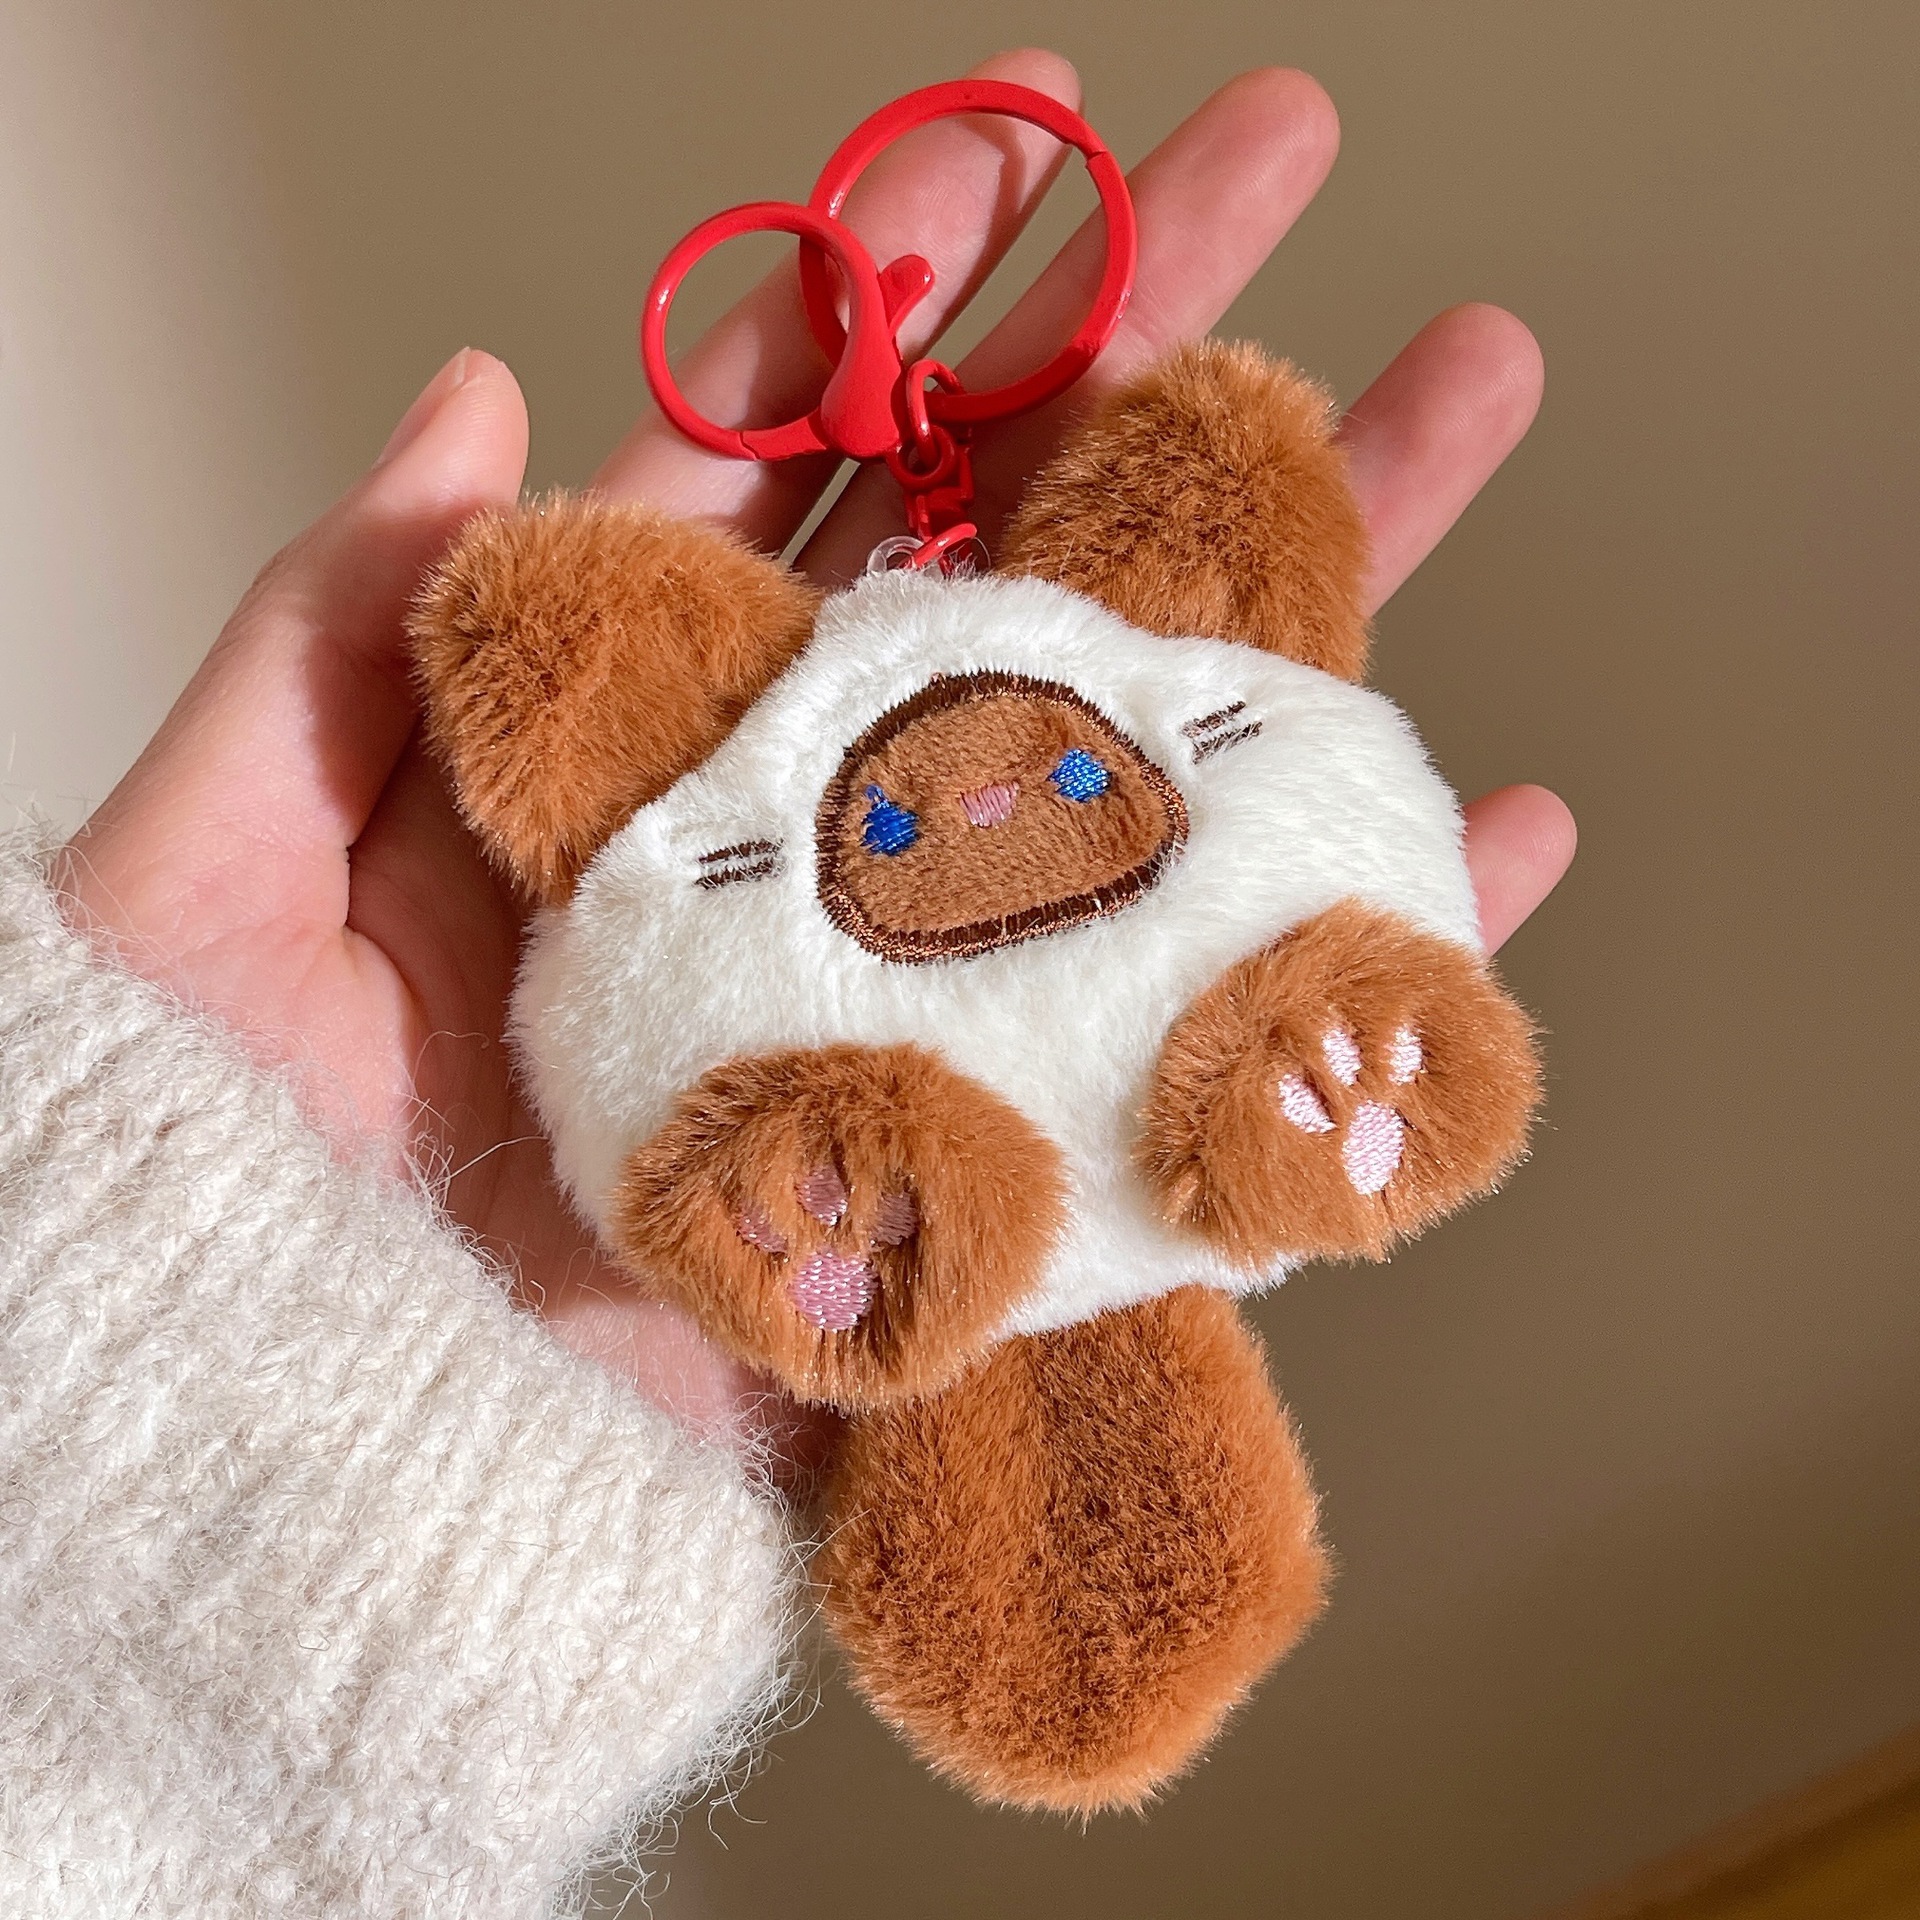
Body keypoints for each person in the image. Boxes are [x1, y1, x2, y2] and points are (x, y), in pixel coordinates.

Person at [0, 51, 1576, 1919]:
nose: (982, 812)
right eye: (904, 819)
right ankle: (907, 1180)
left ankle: (1219, 1093)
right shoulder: (706, 774)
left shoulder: (1034, 693)